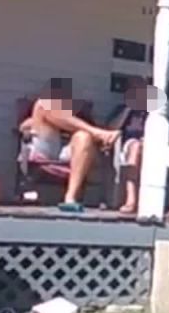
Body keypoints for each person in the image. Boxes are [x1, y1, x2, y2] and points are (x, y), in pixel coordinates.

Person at [20, 77, 118, 213]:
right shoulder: (41, 108)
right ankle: (97, 133)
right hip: (46, 149)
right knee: (43, 106)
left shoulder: (81, 117)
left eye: (63, 96)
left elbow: (97, 145)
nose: (58, 99)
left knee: (84, 136)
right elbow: (23, 126)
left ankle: (70, 197)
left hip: (73, 155)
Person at [106, 76, 169, 218]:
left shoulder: (159, 111)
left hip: (157, 147)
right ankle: (131, 200)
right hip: (132, 145)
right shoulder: (122, 110)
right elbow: (111, 129)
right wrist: (129, 108)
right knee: (136, 147)